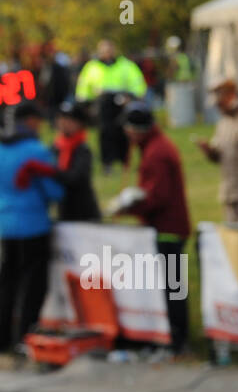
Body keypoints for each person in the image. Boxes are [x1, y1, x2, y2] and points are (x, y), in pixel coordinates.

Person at [0, 101, 63, 358]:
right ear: (31, 122)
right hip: (33, 224)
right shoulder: (36, 150)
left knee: (6, 280)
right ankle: (25, 338)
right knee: (33, 284)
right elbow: (53, 190)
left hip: (3, 224)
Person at [113, 101, 192, 356]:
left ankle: (177, 339)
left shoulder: (157, 153)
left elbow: (158, 197)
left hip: (167, 228)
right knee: (171, 286)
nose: (126, 134)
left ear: (137, 129)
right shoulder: (155, 147)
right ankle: (174, 336)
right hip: (168, 226)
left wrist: (128, 208)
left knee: (172, 288)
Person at [74, 39, 147, 173]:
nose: (106, 53)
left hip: (122, 102)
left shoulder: (125, 65)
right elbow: (84, 86)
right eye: (103, 50)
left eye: (109, 50)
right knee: (105, 132)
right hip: (102, 104)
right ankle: (107, 163)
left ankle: (125, 161)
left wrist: (132, 97)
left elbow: (137, 83)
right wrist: (84, 103)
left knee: (124, 132)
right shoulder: (92, 67)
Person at [196, 79, 238, 223]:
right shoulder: (223, 123)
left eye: (221, 102)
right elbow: (217, 155)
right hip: (229, 192)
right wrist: (208, 150)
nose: (218, 107)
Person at [44, 101, 100, 221]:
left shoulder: (82, 149)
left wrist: (52, 172)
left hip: (83, 210)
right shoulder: (55, 147)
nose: (63, 123)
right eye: (61, 118)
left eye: (69, 120)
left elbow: (76, 178)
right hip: (64, 208)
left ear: (79, 124)